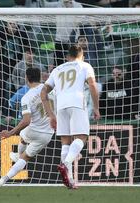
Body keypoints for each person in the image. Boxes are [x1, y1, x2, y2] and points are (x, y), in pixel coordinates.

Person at [41, 45, 100, 189]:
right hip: (77, 103)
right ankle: (66, 163)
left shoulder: (57, 69)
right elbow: (92, 84)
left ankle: (69, 181)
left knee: (65, 142)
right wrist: (96, 107)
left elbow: (43, 93)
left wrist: (50, 115)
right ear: (82, 55)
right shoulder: (85, 65)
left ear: (68, 57)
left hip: (60, 106)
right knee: (81, 138)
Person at [0, 68, 54, 187]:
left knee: (23, 135)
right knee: (25, 158)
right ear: (40, 77)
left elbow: (26, 121)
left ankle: (7, 173)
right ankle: (4, 177)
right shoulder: (51, 90)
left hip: (33, 130)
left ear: (26, 78)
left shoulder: (26, 97)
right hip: (48, 133)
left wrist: (10, 133)